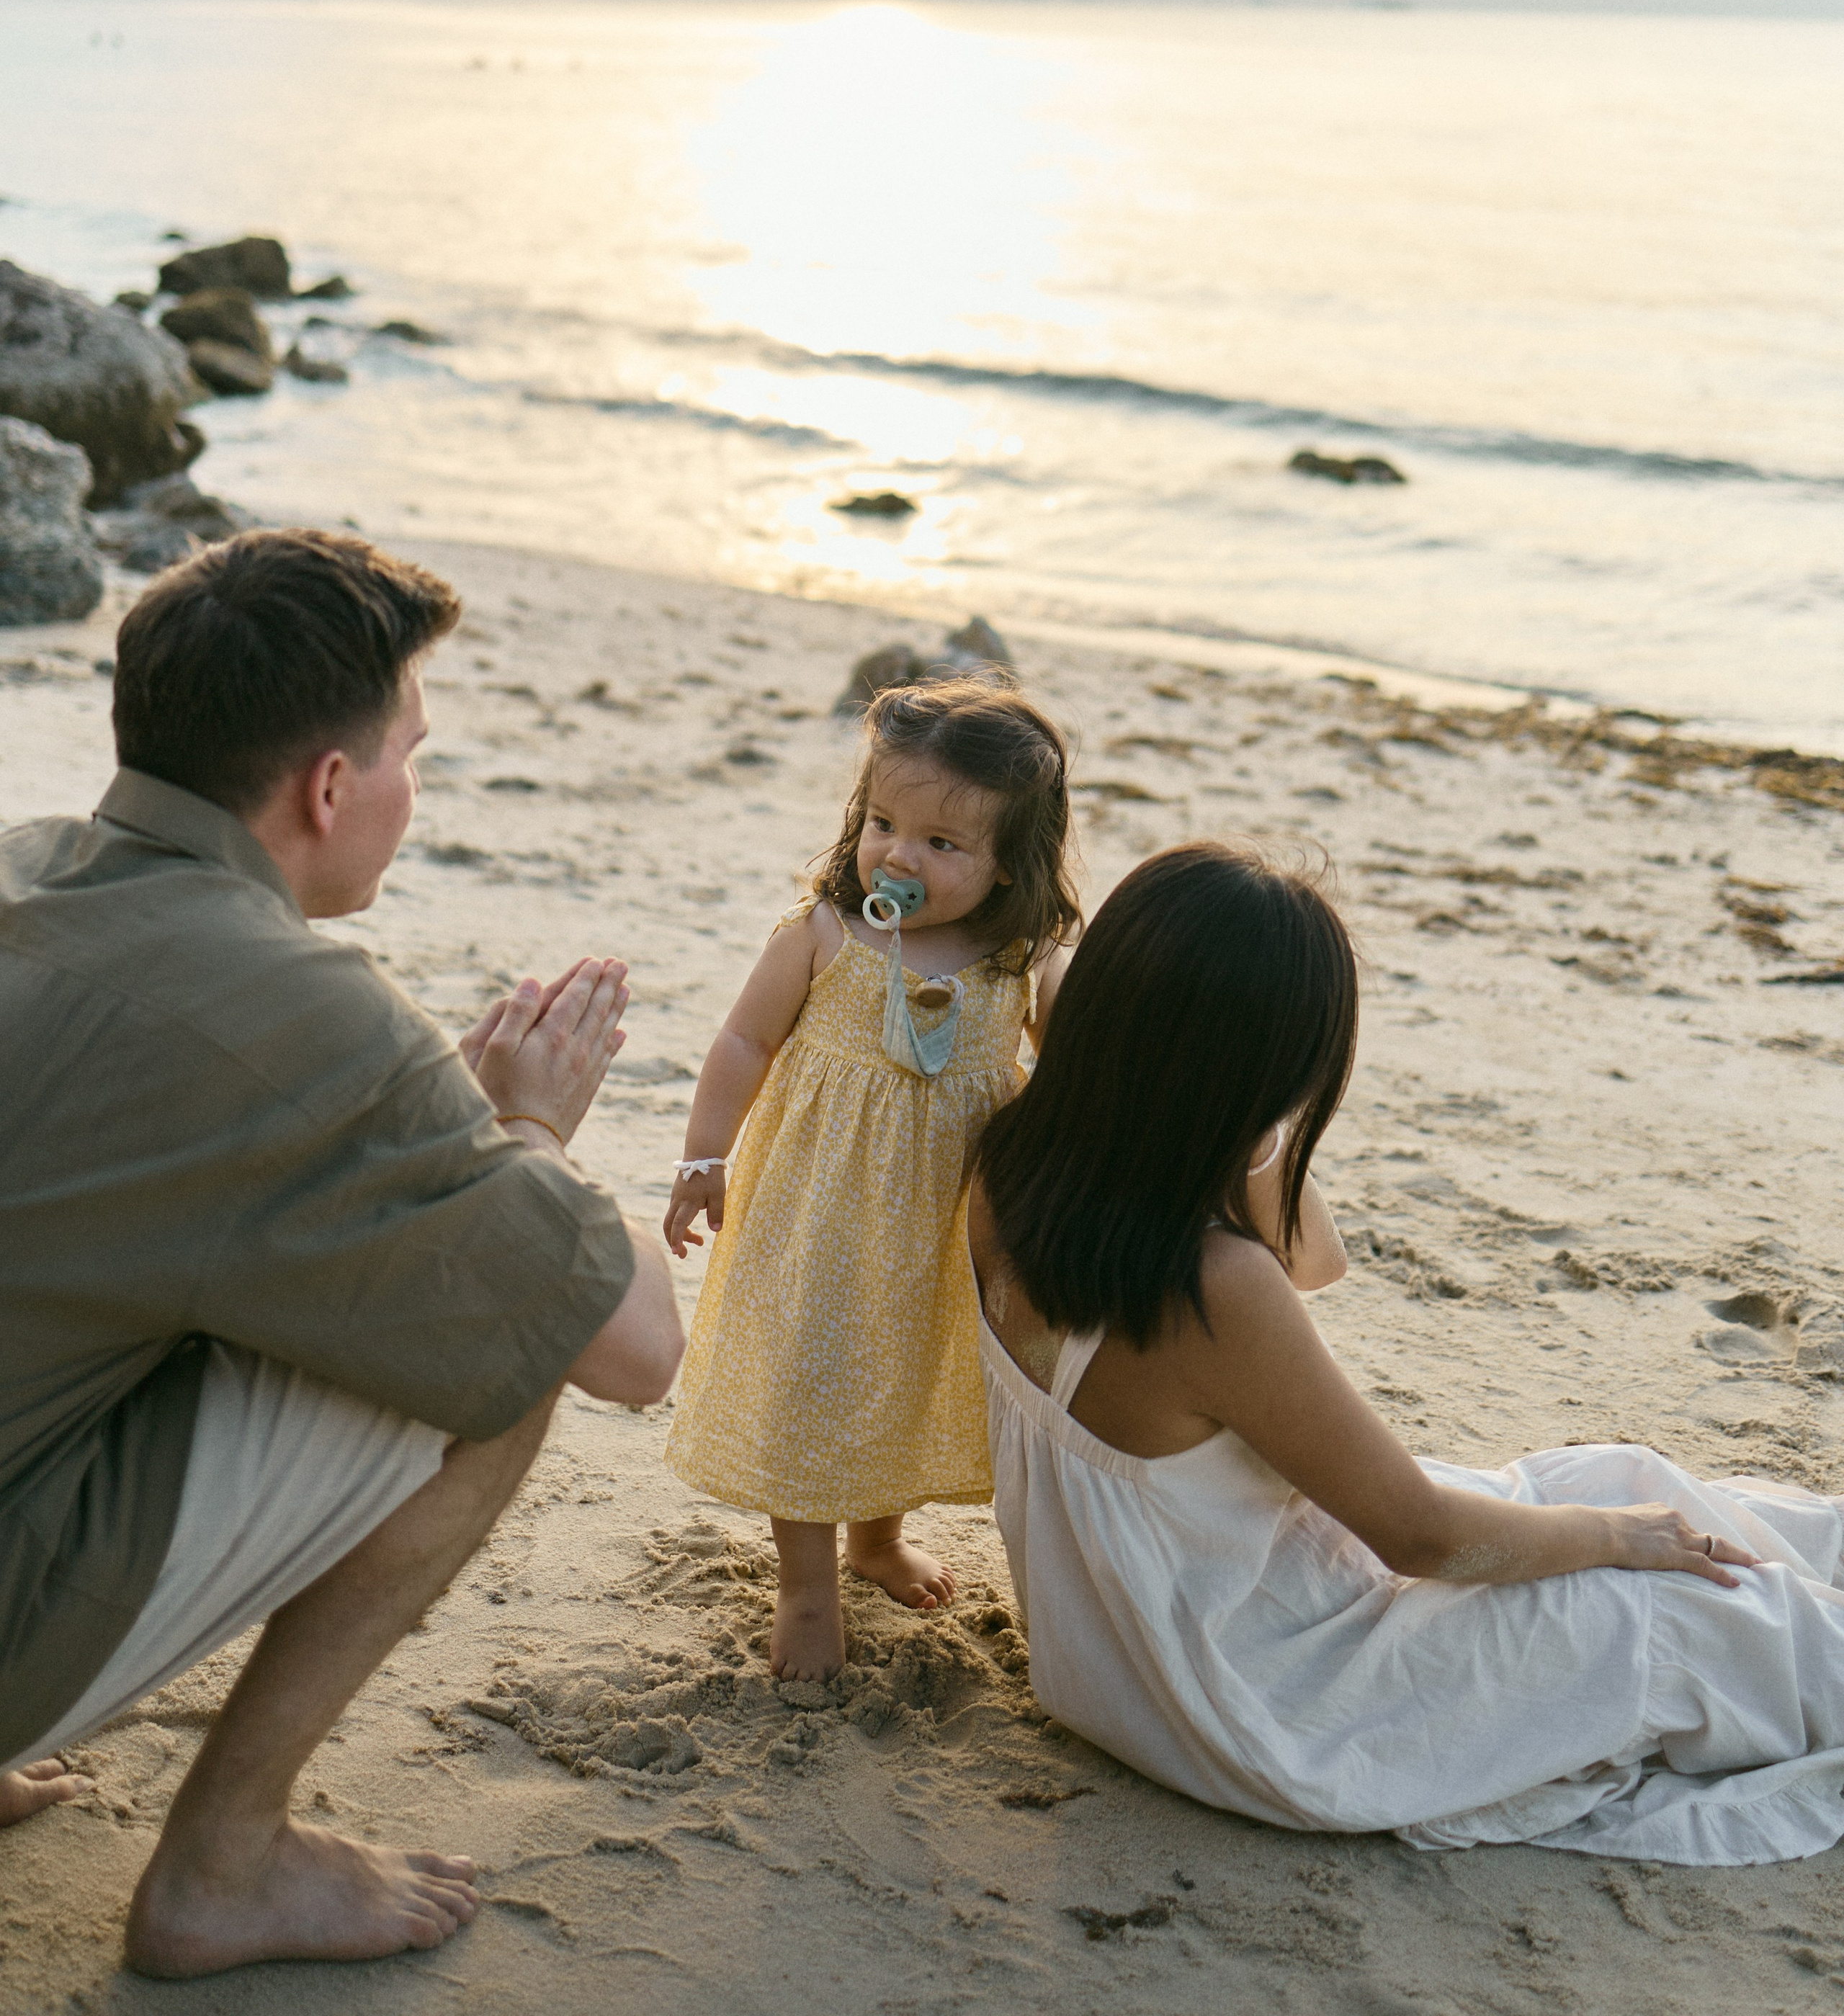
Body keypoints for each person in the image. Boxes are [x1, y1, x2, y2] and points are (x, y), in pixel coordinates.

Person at [0, 529, 684, 1976]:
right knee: (511, 1341)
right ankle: (226, 1863)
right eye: (408, 756)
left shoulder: (22, 871)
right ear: (328, 786)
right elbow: (632, 1341)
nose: (411, 789)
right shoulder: (306, 1016)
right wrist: (526, 1140)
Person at [971, 840, 1844, 1865]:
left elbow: (1315, 1261)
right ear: (1259, 1082)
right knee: (1669, 1603)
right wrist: (1618, 1540)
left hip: (1135, 1663)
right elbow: (1420, 1537)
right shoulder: (1212, 1287)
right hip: (1267, 1704)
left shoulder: (1017, 1162)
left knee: (1625, 1477)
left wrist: (1138, 1058)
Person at [661, 678, 1080, 1680]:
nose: (898, 854)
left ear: (1012, 863)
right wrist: (703, 1155)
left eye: (944, 843)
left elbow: (1077, 1056)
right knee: (810, 1381)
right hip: (817, 1213)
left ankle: (878, 1540)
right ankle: (805, 1587)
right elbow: (740, 1041)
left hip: (945, 1227)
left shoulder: (1018, 957)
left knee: (900, 1369)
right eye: (885, 823)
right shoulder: (824, 934)